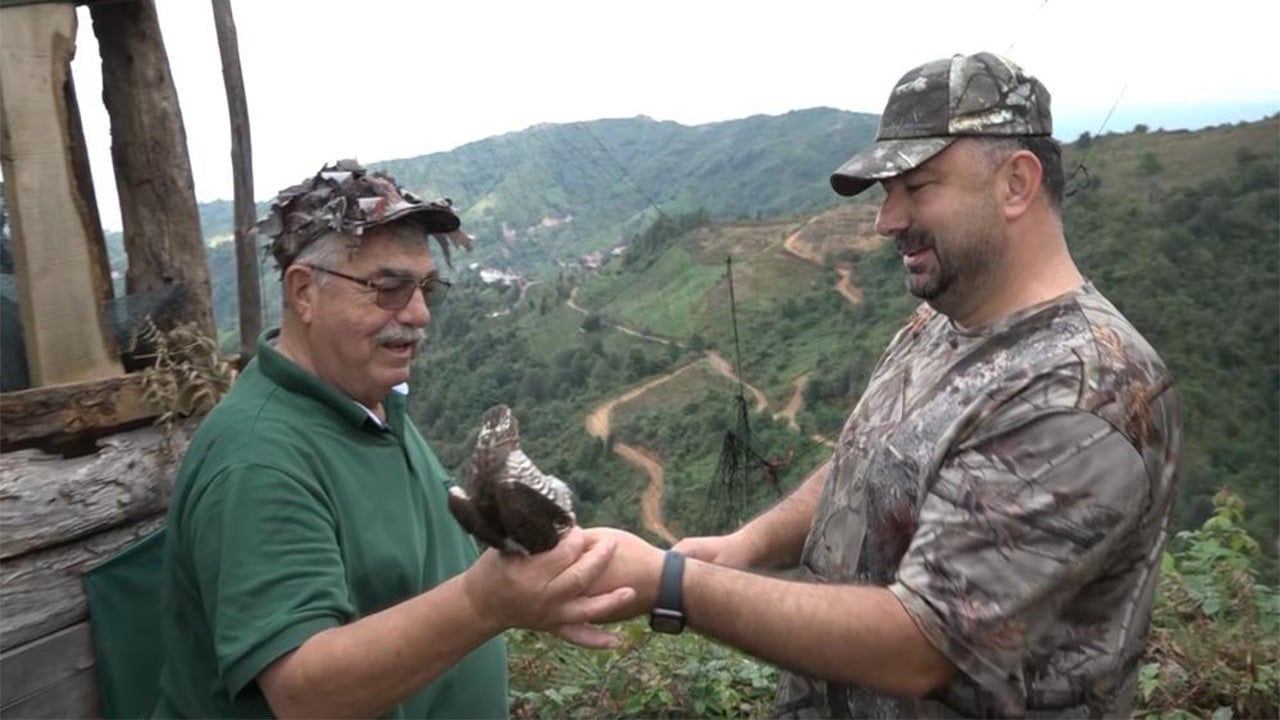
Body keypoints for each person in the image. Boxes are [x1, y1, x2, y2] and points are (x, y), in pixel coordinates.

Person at [586, 51, 1181, 718]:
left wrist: (669, 584)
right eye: (885, 192)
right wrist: (746, 546)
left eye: (918, 187)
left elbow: (922, 645)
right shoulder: (939, 321)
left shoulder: (1081, 392)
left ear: (1017, 184)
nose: (886, 219)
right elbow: (869, 463)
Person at [152, 160, 633, 719]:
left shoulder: (369, 401)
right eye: (389, 289)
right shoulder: (258, 460)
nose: (420, 313)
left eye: (426, 286)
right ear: (304, 293)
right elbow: (304, 693)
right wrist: (488, 602)